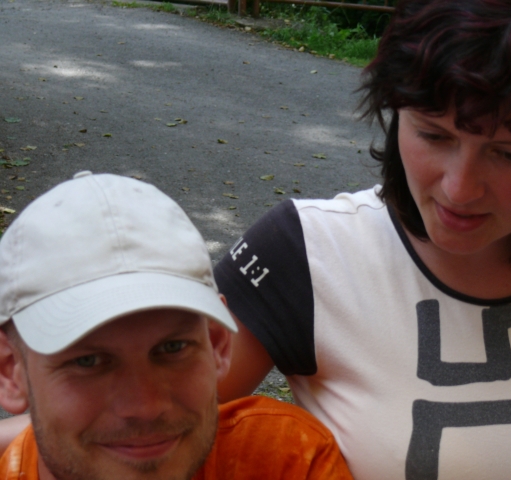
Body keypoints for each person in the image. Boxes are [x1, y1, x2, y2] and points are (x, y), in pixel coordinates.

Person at [213, 0, 511, 478]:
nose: (459, 189)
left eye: (510, 154)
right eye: (433, 135)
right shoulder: (301, 251)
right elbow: (158, 429)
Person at [0, 171, 353, 480]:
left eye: (172, 348)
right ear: (10, 370)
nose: (145, 406)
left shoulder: (284, 462)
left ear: (218, 345)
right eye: (87, 361)